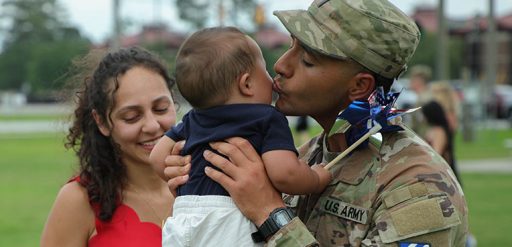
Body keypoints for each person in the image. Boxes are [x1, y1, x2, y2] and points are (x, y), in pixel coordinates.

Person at [164, 0, 469, 246]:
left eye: (308, 60)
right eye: (291, 45)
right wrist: (196, 185)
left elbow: (267, 215)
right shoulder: (304, 155)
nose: (281, 65)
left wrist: (270, 214)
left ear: (359, 86)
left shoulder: (419, 186)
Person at [149, 26, 331, 247]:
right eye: (263, 69)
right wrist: (316, 179)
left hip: (183, 216)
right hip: (229, 217)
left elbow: (157, 158)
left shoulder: (191, 119)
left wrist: (180, 178)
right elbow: (285, 173)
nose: (272, 75)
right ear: (246, 84)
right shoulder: (266, 118)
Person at [40, 47, 176, 246]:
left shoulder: (207, 181)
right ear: (102, 121)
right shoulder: (79, 201)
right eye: (132, 117)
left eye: (161, 109)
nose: (152, 125)